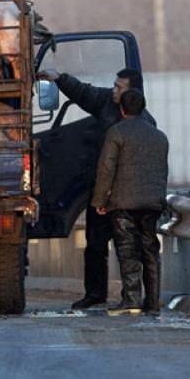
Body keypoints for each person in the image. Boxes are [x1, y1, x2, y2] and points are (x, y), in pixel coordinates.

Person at [38, 68, 155, 309]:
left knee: (133, 247)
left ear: (132, 92)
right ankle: (96, 293)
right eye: (114, 85)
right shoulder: (106, 104)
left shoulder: (145, 123)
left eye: (119, 87)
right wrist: (60, 77)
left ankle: (139, 298)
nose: (114, 90)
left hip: (128, 194)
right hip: (103, 190)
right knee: (95, 244)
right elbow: (83, 92)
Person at [91, 89, 168, 315]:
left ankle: (132, 299)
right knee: (151, 250)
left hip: (123, 203)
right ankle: (152, 303)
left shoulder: (117, 133)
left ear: (122, 110)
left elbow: (106, 169)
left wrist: (100, 200)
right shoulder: (159, 136)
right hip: (152, 204)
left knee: (127, 250)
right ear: (143, 108)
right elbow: (162, 171)